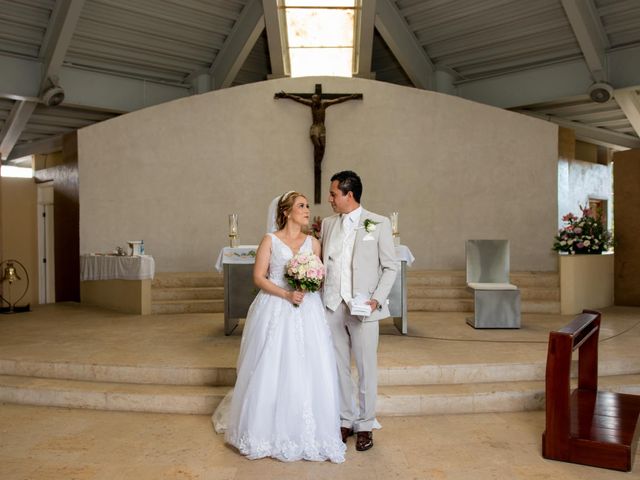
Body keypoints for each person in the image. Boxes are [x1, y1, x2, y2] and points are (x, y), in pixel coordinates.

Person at [212, 191, 346, 463]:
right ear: (286, 212)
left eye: (308, 206)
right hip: (276, 306)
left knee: (309, 366)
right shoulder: (270, 240)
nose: (307, 210)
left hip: (307, 310)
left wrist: (309, 283)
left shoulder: (313, 243)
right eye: (301, 206)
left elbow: (319, 279)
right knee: (272, 365)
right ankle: (264, 431)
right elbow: (259, 278)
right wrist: (286, 294)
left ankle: (306, 430)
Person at [320, 171, 397, 452]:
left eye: (333, 194)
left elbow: (391, 266)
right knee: (338, 367)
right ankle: (345, 418)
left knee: (366, 369)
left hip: (364, 309)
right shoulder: (328, 225)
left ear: (348, 195)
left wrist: (376, 299)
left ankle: (365, 424)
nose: (329, 199)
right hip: (331, 305)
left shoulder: (378, 223)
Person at [274, 91, 362, 171]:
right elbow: (299, 99)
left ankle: (318, 163)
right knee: (317, 145)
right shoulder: (311, 105)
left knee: (323, 146)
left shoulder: (325, 104)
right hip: (314, 128)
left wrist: (351, 97)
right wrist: (288, 95)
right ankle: (316, 163)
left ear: (319, 99)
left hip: (322, 128)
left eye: (315, 98)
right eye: (312, 99)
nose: (313, 100)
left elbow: (338, 100)